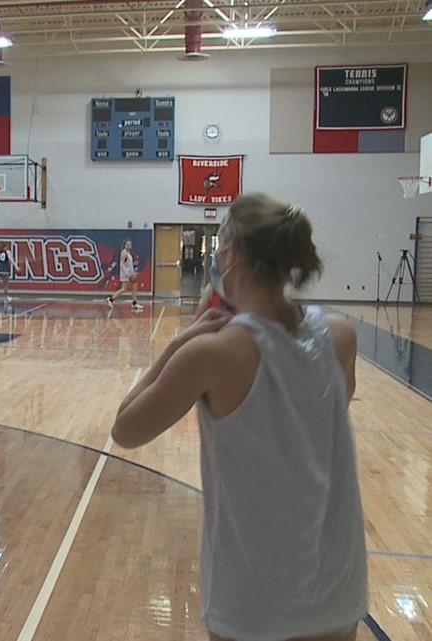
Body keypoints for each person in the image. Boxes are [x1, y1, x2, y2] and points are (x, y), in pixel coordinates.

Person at [111, 193, 366, 641]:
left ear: (229, 256)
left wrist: (178, 344)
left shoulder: (213, 353)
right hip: (337, 591)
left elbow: (126, 429)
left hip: (254, 600)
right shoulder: (340, 337)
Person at [106, 239, 144, 312]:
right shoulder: (124, 253)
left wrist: (134, 264)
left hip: (131, 272)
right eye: (128, 244)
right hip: (126, 273)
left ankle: (134, 303)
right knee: (124, 289)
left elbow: (128, 263)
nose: (129, 246)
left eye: (130, 244)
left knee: (134, 286)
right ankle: (110, 299)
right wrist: (126, 273)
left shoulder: (128, 253)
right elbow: (121, 264)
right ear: (124, 245)